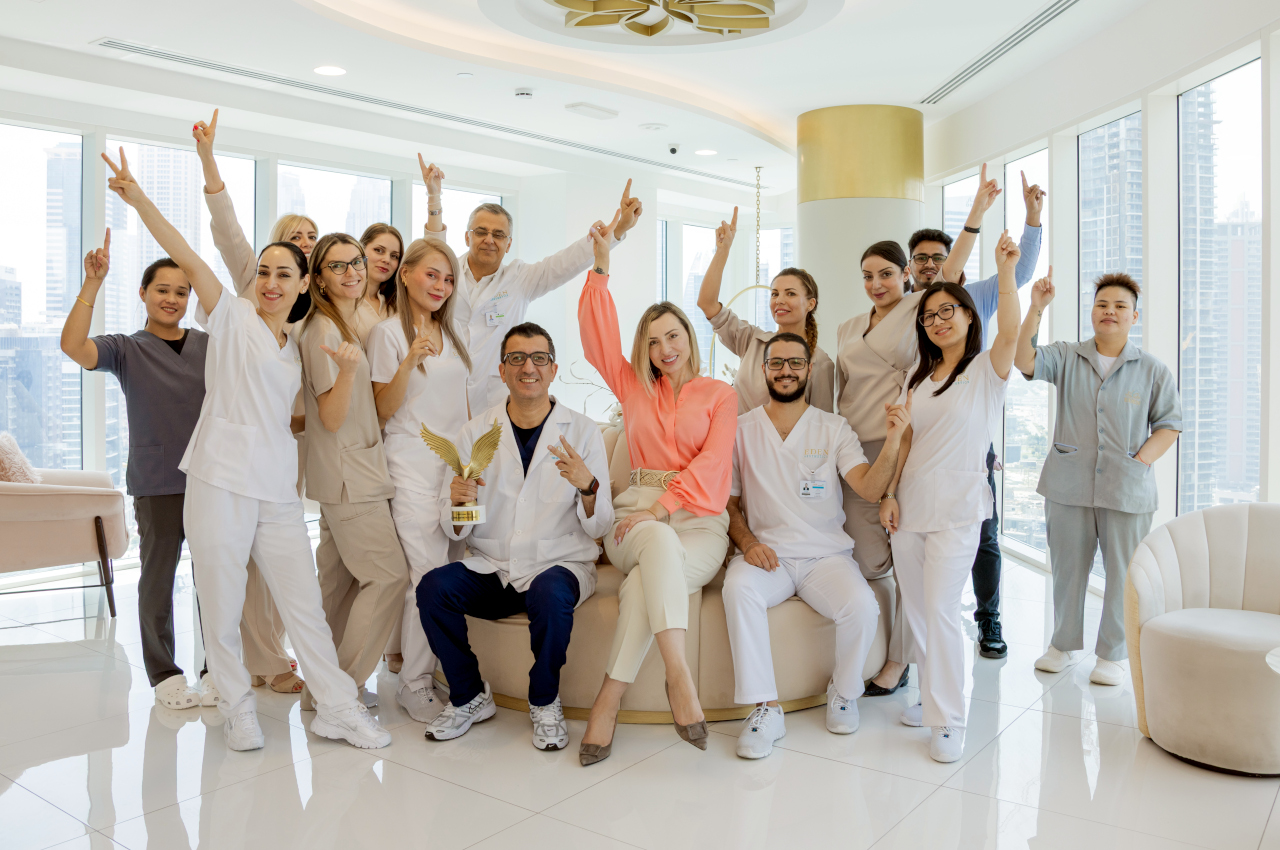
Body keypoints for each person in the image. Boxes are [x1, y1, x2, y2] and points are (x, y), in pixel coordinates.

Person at [103, 148, 391, 752]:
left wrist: (345, 373)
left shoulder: (299, 342)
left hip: (276, 488)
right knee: (223, 598)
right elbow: (184, 249)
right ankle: (235, 707)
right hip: (218, 480)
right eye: (264, 270)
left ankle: (337, 707)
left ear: (304, 283)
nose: (270, 281)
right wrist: (138, 198)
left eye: (284, 273)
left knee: (303, 605)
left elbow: (321, 418)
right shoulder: (230, 314)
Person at [578, 212, 737, 765]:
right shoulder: (632, 387)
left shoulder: (720, 395)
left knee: (645, 581)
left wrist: (666, 507)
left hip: (699, 524)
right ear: (644, 350)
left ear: (689, 338)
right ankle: (680, 679)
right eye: (652, 341)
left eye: (673, 335)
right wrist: (601, 265)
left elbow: (715, 464)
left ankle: (608, 700)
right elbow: (599, 341)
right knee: (653, 547)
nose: (664, 347)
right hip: (633, 516)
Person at [417, 322, 612, 750]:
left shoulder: (582, 431)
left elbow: (600, 526)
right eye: (516, 358)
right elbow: (459, 528)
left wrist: (588, 486)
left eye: (539, 358)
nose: (528, 367)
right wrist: (457, 499)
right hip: (495, 566)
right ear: (502, 371)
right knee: (433, 588)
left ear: (553, 369)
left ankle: (544, 702)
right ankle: (469, 695)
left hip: (556, 563)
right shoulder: (475, 433)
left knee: (550, 594)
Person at [723, 332, 910, 759]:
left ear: (809, 370)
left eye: (794, 363)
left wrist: (895, 440)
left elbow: (867, 485)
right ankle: (766, 708)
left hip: (825, 556)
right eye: (776, 363)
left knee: (862, 606)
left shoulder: (833, 427)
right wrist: (748, 543)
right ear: (763, 369)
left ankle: (843, 693)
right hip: (766, 555)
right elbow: (729, 503)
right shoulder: (741, 430)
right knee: (738, 590)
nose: (785, 370)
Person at [879, 232, 1023, 763]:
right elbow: (906, 442)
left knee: (940, 608)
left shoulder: (987, 371)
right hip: (909, 506)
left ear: (967, 316)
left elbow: (1011, 327)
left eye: (948, 312)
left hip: (959, 509)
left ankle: (948, 720)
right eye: (929, 316)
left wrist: (1005, 271)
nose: (937, 320)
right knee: (917, 609)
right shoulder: (919, 379)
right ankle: (927, 696)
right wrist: (889, 493)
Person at [60, 234, 208, 710]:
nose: (172, 299)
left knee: (216, 578)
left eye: (182, 291)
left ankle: (217, 668)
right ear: (143, 294)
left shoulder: (209, 345)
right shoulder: (126, 348)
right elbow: (72, 346)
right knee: (157, 578)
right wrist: (92, 282)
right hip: (158, 480)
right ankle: (165, 672)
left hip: (211, 480)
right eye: (162, 289)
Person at [192, 110, 312, 695]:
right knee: (231, 573)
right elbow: (226, 231)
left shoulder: (310, 325)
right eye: (294, 241)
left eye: (311, 246)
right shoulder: (249, 291)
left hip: (280, 460)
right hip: (232, 458)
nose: (280, 272)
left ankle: (279, 663)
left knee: (287, 576)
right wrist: (210, 161)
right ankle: (249, 671)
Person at [906, 166, 1046, 661]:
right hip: (919, 427)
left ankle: (988, 615)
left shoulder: (977, 297)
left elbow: (1018, 276)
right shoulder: (913, 307)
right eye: (920, 260)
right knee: (919, 555)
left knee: (984, 533)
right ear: (910, 269)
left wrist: (1030, 221)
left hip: (971, 425)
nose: (930, 268)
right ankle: (913, 651)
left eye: (937, 260)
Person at [1016, 270, 1181, 686]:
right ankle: (1064, 645)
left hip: (1128, 488)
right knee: (1068, 568)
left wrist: (1141, 460)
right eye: (1102, 304)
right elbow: (1024, 361)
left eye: (1120, 306)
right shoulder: (1067, 355)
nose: (1110, 311)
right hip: (1068, 485)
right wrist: (1035, 308)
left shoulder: (1153, 370)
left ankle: (1113, 654)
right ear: (1092, 312)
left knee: (1123, 572)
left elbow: (1170, 424)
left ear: (1134, 316)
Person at [297, 233, 411, 711]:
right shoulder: (324, 330)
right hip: (350, 478)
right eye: (338, 266)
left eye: (357, 263)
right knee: (388, 577)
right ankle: (339, 693)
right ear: (318, 277)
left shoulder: (347, 321)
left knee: (338, 587)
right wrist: (346, 373)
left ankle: (318, 688)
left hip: (344, 473)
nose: (353, 272)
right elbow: (330, 417)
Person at [368, 236, 472, 721]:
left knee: (450, 571)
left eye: (449, 279)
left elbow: (461, 407)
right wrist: (410, 358)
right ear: (404, 273)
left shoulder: (453, 336)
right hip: (409, 464)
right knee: (425, 577)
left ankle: (434, 671)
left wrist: (472, 465)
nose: (441, 285)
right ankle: (414, 682)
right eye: (432, 274)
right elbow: (381, 410)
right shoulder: (388, 334)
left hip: (455, 469)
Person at [437, 180, 643, 413]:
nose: (489, 240)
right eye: (481, 232)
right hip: (442, 397)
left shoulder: (519, 278)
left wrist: (617, 231)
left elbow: (563, 264)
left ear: (508, 243)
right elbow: (429, 251)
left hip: (492, 403)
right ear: (467, 237)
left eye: (499, 234)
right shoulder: (445, 273)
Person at [696, 207, 835, 414]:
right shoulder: (752, 340)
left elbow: (822, 426)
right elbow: (707, 303)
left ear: (811, 304)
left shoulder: (820, 362)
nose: (779, 300)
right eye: (774, 294)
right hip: (734, 444)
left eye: (790, 294)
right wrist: (723, 250)